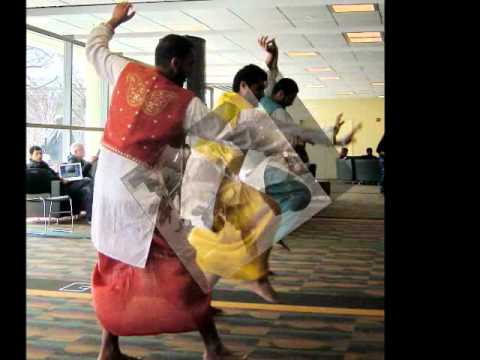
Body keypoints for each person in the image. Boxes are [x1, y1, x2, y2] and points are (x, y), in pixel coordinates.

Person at [86, 3, 243, 360]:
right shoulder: (188, 103)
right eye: (189, 64)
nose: (190, 71)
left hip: (107, 182)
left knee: (115, 263)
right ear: (176, 62)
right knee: (184, 264)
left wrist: (112, 22)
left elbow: (94, 48)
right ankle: (213, 346)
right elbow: (223, 138)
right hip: (141, 190)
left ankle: (108, 348)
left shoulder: (125, 71)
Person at [26, 145, 93, 223]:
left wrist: (59, 177)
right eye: (37, 154)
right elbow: (47, 178)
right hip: (61, 188)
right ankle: (90, 217)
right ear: (31, 155)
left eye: (41, 153)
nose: (40, 156)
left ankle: (90, 217)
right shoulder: (34, 168)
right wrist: (60, 179)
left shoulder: (44, 165)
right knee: (86, 181)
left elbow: (52, 176)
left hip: (62, 185)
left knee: (86, 188)